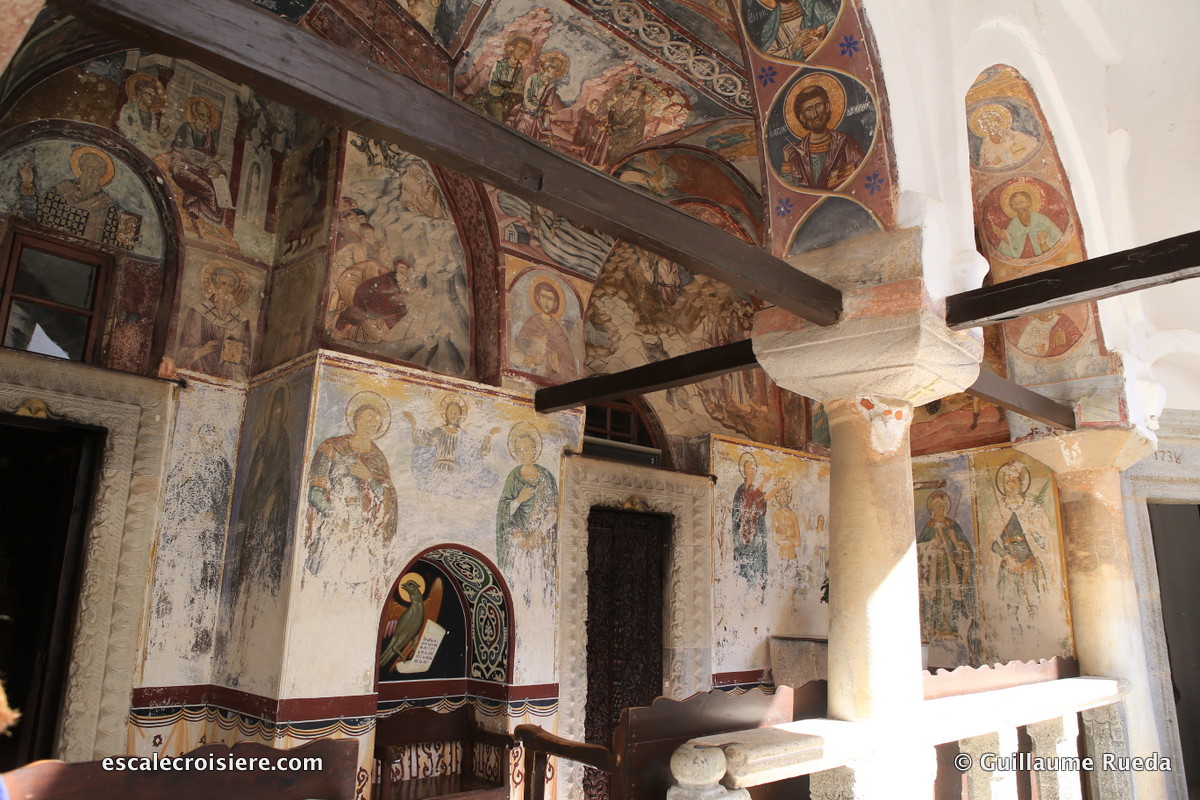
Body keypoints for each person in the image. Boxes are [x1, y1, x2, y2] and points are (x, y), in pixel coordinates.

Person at [304, 393, 398, 582]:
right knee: (325, 578)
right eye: (366, 420)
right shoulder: (331, 447)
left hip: (363, 527)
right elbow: (314, 491)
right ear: (355, 420)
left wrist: (369, 478)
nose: (370, 425)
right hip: (334, 521)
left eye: (375, 423)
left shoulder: (377, 458)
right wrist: (334, 516)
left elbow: (386, 497)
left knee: (357, 579)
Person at [496, 423, 558, 602]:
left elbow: (553, 513)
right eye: (520, 450)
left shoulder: (546, 477)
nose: (524, 453)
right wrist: (519, 500)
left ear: (535, 450)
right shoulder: (513, 477)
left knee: (539, 583)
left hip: (540, 540)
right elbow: (504, 511)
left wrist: (536, 536)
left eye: (527, 449)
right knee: (518, 585)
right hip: (518, 541)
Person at [17, 148, 124, 246]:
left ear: (101, 174)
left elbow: (112, 241)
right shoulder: (61, 190)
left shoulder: (106, 206)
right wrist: (27, 183)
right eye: (88, 167)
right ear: (81, 168)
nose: (91, 172)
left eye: (96, 169)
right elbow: (33, 215)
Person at [781, 84, 865, 190]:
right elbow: (792, 191)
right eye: (809, 109)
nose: (815, 114)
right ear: (802, 117)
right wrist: (787, 163)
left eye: (818, 105)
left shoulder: (846, 143)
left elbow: (864, 172)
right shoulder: (797, 154)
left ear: (827, 107)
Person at [917, 490, 976, 640]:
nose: (938, 509)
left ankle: (952, 628)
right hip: (933, 569)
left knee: (950, 595)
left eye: (941, 506)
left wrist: (955, 540)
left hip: (950, 568)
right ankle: (934, 628)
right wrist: (931, 545)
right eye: (936, 506)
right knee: (935, 596)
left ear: (945, 507)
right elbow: (918, 548)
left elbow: (964, 548)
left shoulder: (952, 525)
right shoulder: (928, 526)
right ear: (932, 508)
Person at [177, 262, 251, 379]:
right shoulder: (198, 312)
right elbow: (183, 350)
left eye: (231, 286)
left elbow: (247, 356)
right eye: (223, 284)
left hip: (228, 377)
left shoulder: (241, 319)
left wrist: (240, 356)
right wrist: (201, 351)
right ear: (215, 285)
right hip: (198, 372)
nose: (226, 289)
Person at [171, 95, 229, 230]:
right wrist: (210, 160)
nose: (205, 119)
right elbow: (186, 152)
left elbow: (211, 154)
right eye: (202, 115)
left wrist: (213, 168)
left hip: (201, 166)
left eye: (207, 116)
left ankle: (217, 223)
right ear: (195, 115)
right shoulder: (187, 128)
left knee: (221, 177)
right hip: (182, 164)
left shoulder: (208, 134)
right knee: (207, 189)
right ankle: (198, 211)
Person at [513, 279, 578, 382]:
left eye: (550, 299)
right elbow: (518, 349)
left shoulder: (558, 330)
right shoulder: (531, 323)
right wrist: (532, 359)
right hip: (531, 379)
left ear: (555, 304)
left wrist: (557, 367)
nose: (546, 302)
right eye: (543, 297)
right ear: (538, 298)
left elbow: (568, 360)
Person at [506, 51, 569, 144]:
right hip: (524, 114)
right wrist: (545, 108)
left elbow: (546, 113)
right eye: (553, 67)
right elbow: (528, 102)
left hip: (537, 121)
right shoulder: (533, 78)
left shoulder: (550, 87)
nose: (554, 72)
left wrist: (549, 132)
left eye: (557, 69)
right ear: (546, 66)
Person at [470, 34, 533, 121]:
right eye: (520, 48)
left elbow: (517, 84)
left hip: (508, 97)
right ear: (512, 47)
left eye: (525, 51)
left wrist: (521, 90)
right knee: (498, 106)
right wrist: (508, 90)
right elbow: (492, 85)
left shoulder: (518, 68)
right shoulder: (500, 64)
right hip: (494, 94)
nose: (522, 52)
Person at [995, 189, 1062, 259]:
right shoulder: (1014, 223)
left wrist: (1043, 243)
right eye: (1016, 204)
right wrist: (1004, 236)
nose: (1020, 205)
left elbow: (1057, 237)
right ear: (1013, 207)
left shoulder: (1041, 219)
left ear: (1029, 203)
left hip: (1044, 256)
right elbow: (1012, 245)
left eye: (1022, 202)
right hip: (1023, 259)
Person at [118, 73, 170, 155]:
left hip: (147, 149)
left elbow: (152, 136)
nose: (151, 98)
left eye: (154, 96)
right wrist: (143, 141)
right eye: (148, 94)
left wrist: (161, 136)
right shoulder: (129, 109)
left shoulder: (152, 116)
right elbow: (124, 129)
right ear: (139, 93)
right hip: (131, 147)